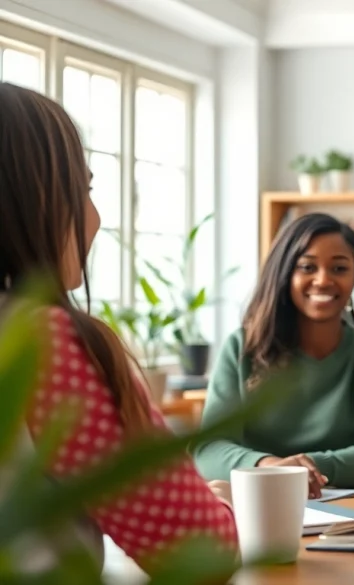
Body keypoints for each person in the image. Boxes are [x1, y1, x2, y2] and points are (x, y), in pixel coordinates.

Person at [0, 82, 237, 572]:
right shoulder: (44, 343)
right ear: (29, 198)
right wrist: (215, 507)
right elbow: (200, 553)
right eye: (82, 190)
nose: (96, 217)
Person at [192, 213, 354, 496]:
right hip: (257, 501)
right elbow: (209, 449)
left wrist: (301, 470)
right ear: (284, 273)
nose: (323, 280)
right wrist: (269, 467)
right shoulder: (242, 348)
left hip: (350, 510)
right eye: (307, 267)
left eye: (339, 268)